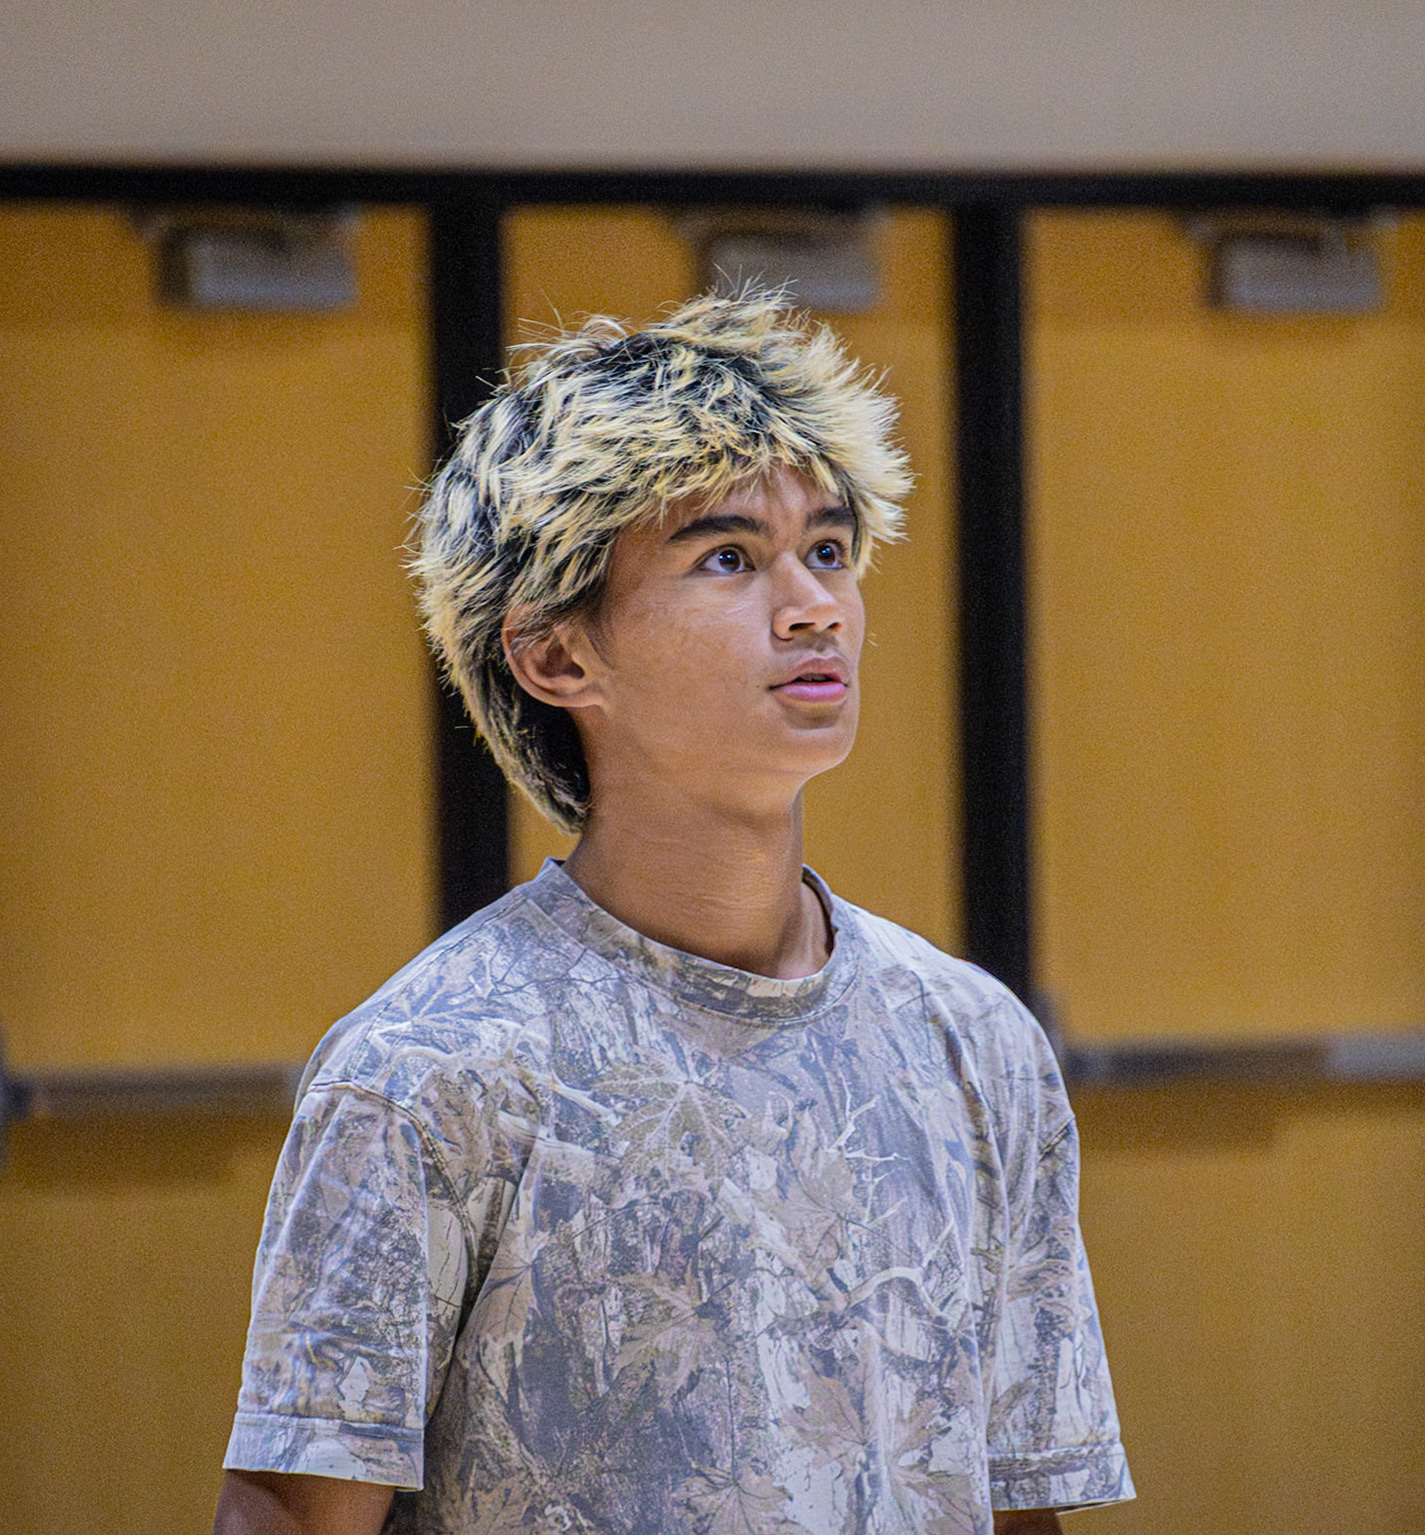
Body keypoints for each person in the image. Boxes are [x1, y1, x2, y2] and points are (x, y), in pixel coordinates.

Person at [213, 293, 1132, 1535]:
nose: (814, 605)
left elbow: (1016, 1501)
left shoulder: (976, 1039)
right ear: (557, 657)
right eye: (728, 557)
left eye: (827, 548)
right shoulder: (429, 1068)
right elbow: (288, 1512)